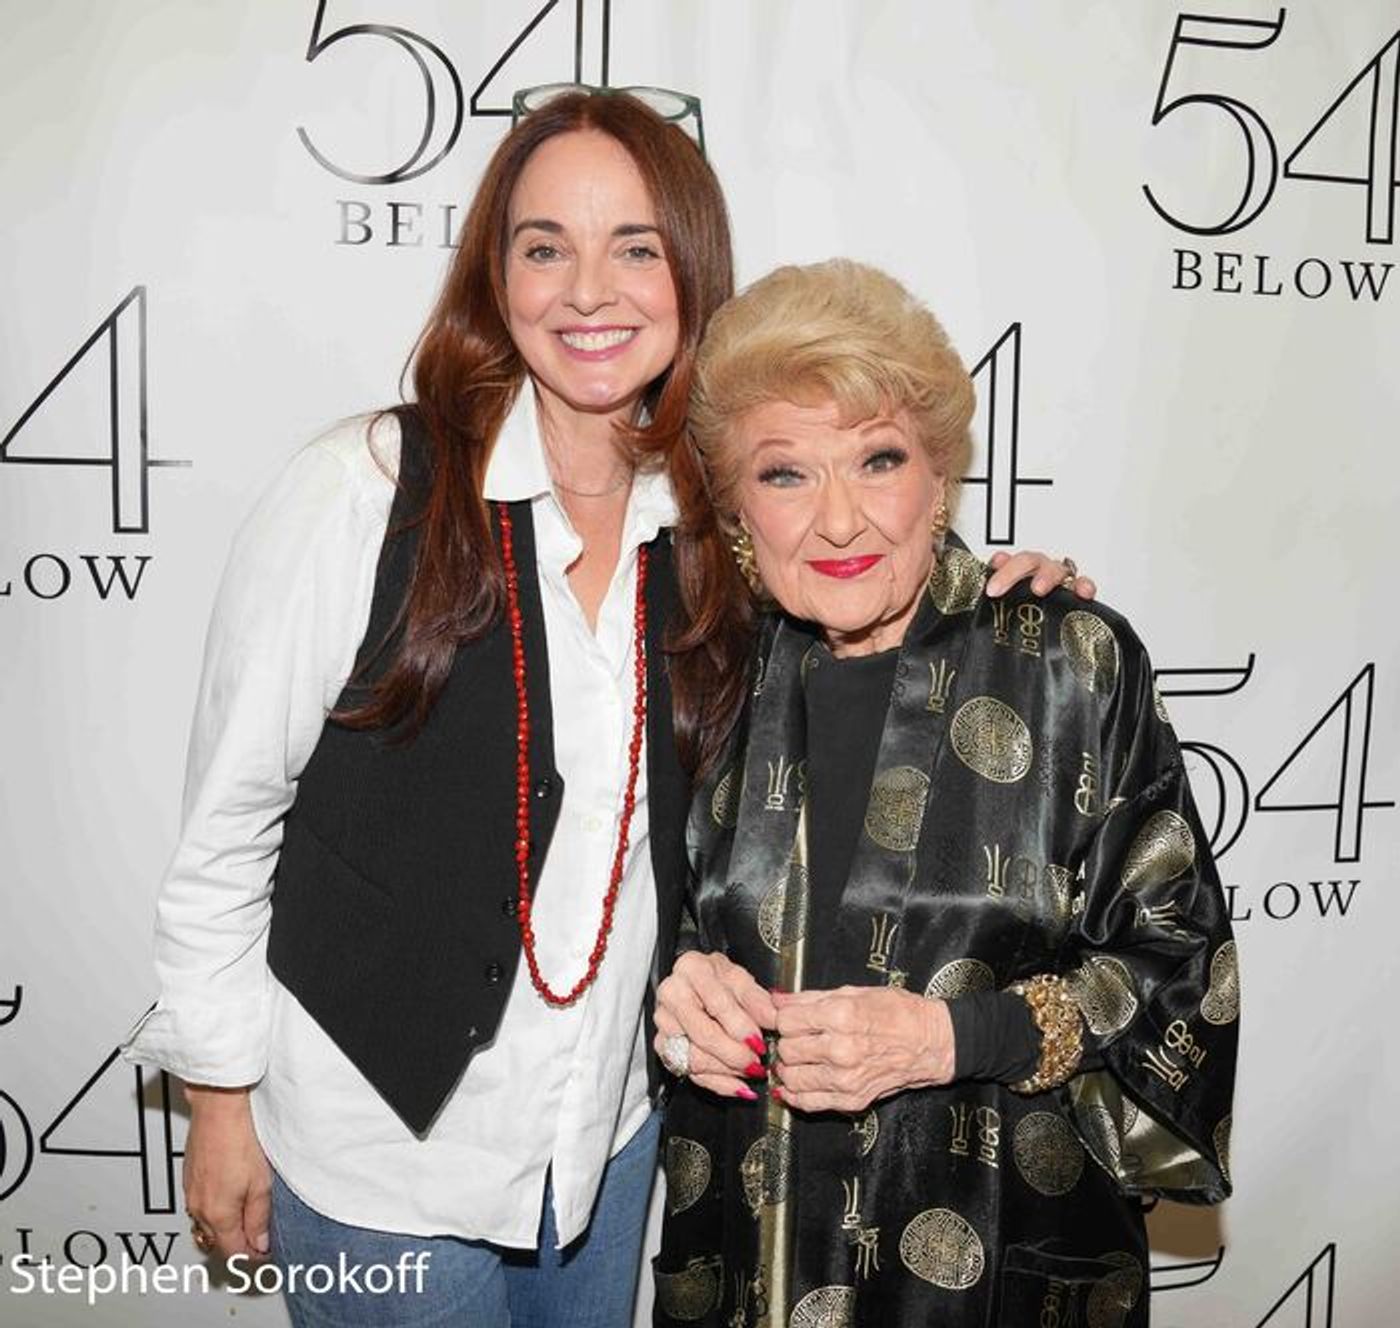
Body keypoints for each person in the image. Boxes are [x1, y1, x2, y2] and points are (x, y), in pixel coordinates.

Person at [121, 92, 1089, 1327]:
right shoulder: (362, 488)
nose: (589, 290)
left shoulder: (704, 533)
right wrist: (217, 1101)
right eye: (544, 247)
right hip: (381, 1160)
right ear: (496, 273)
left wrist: (1007, 596)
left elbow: (854, 552)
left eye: (634, 246)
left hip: (608, 1147)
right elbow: (226, 827)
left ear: (690, 273)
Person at [653, 260, 1236, 1327]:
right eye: (784, 473)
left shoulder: (1067, 661)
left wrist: (952, 1038)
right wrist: (677, 989)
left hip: (996, 1268)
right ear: (736, 507)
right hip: (748, 1265)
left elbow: (1180, 974)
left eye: (877, 460)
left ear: (938, 477)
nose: (837, 520)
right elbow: (645, 929)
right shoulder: (710, 674)